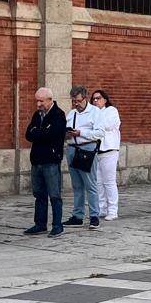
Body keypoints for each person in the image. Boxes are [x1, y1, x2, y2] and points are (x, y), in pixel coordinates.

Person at [25, 88, 67, 236]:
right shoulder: (37, 115)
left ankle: (57, 225)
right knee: (39, 194)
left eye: (41, 101)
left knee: (54, 195)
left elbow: (53, 135)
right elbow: (28, 135)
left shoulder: (58, 115)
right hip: (36, 160)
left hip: (51, 160)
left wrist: (38, 132)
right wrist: (39, 133)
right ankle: (40, 224)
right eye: (37, 101)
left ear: (50, 100)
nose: (38, 104)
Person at [64, 85, 102, 229]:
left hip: (87, 148)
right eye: (73, 101)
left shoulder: (95, 112)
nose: (76, 104)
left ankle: (94, 216)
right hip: (72, 148)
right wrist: (66, 134)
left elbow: (99, 133)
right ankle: (77, 215)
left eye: (78, 101)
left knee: (90, 184)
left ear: (85, 99)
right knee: (77, 184)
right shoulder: (71, 114)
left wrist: (81, 133)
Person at [91, 89, 121, 220]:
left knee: (109, 181)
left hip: (109, 150)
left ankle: (113, 210)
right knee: (98, 182)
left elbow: (108, 125)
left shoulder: (111, 111)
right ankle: (101, 208)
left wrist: (95, 123)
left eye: (99, 98)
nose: (96, 101)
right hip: (96, 151)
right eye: (94, 99)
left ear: (105, 99)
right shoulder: (92, 113)